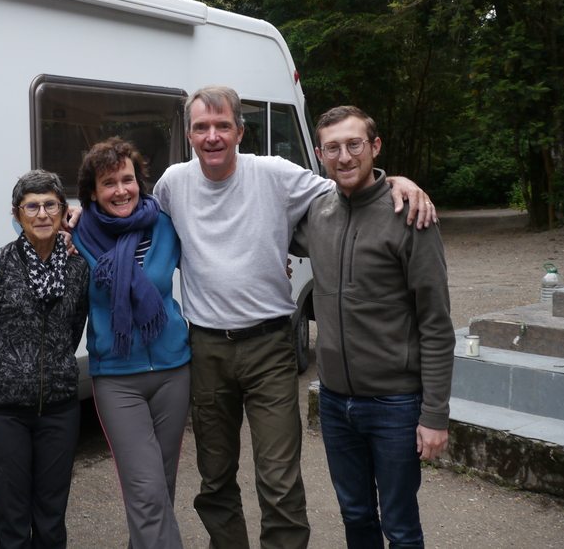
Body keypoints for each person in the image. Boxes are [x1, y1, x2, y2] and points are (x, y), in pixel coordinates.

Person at [150, 85, 435, 549]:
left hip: (269, 348)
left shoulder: (275, 174)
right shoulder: (171, 184)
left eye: (223, 125)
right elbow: (134, 221)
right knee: (215, 478)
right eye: (202, 127)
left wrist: (399, 181)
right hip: (206, 349)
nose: (213, 136)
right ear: (189, 134)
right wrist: (78, 219)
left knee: (279, 481)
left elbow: (354, 188)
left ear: (241, 131)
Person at [291, 106, 455, 548]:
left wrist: (434, 415)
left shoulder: (410, 215)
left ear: (375, 146)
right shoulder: (318, 215)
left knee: (400, 527)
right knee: (356, 517)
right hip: (335, 401)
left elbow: (436, 324)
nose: (344, 157)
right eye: (332, 148)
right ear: (321, 155)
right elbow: (258, 215)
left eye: (354, 144)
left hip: (395, 404)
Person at [72, 138, 191, 549]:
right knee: (146, 489)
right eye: (108, 183)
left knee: (162, 486)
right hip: (117, 379)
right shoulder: (79, 235)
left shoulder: (165, 223)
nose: (121, 190)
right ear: (92, 193)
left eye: (127, 179)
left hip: (174, 371)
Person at [0, 169, 90, 549]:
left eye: (50, 205)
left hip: (59, 409)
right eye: (31, 206)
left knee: (52, 520)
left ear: (62, 209)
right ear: (16, 213)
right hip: (2, 411)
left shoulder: (77, 267)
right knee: (12, 521)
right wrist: (9, 369)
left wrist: (50, 367)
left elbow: (74, 329)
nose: (41, 214)